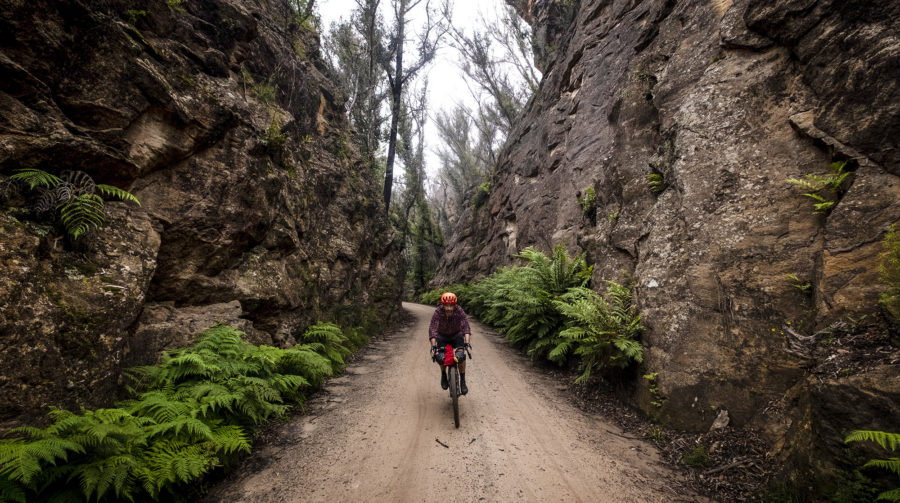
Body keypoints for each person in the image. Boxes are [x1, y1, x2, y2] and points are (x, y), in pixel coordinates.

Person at [428, 292, 471, 395]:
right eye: (446, 305)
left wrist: (467, 343)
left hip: (456, 335)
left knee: (461, 356)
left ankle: (463, 381)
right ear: (442, 305)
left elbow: (465, 327)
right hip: (442, 336)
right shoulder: (438, 311)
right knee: (441, 357)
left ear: (455, 305)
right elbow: (433, 329)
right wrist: (433, 346)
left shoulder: (459, 310)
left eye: (451, 305)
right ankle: (443, 374)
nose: (449, 308)